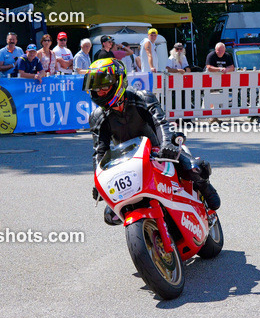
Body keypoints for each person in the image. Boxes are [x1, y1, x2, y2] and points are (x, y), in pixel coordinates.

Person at [84, 58, 220, 223]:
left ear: (118, 82)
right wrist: (98, 180)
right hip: (128, 160)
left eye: (104, 87)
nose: (99, 93)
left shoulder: (141, 97)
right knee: (110, 215)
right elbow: (100, 152)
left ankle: (204, 186)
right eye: (96, 88)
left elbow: (160, 122)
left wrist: (167, 145)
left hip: (158, 151)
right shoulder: (97, 117)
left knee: (195, 168)